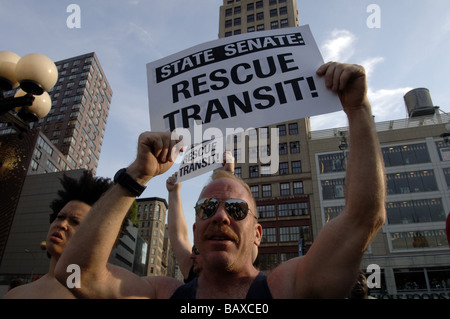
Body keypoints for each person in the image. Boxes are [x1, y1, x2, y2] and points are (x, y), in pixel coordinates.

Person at [55, 62, 386, 299]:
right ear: (196, 230)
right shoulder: (161, 292)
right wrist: (136, 177)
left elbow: (363, 217)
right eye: (208, 207)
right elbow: (77, 276)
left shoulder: (288, 287)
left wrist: (358, 111)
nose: (220, 216)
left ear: (258, 234)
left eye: (237, 209)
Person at [3, 170, 112, 299]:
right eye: (60, 217)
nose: (62, 224)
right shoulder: (15, 295)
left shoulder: (103, 295)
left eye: (75, 221)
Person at [166, 152, 236, 282]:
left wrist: (228, 176)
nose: (191, 256)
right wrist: (174, 192)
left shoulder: (253, 283)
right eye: (196, 249)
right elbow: (178, 236)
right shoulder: (194, 273)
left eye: (197, 251)